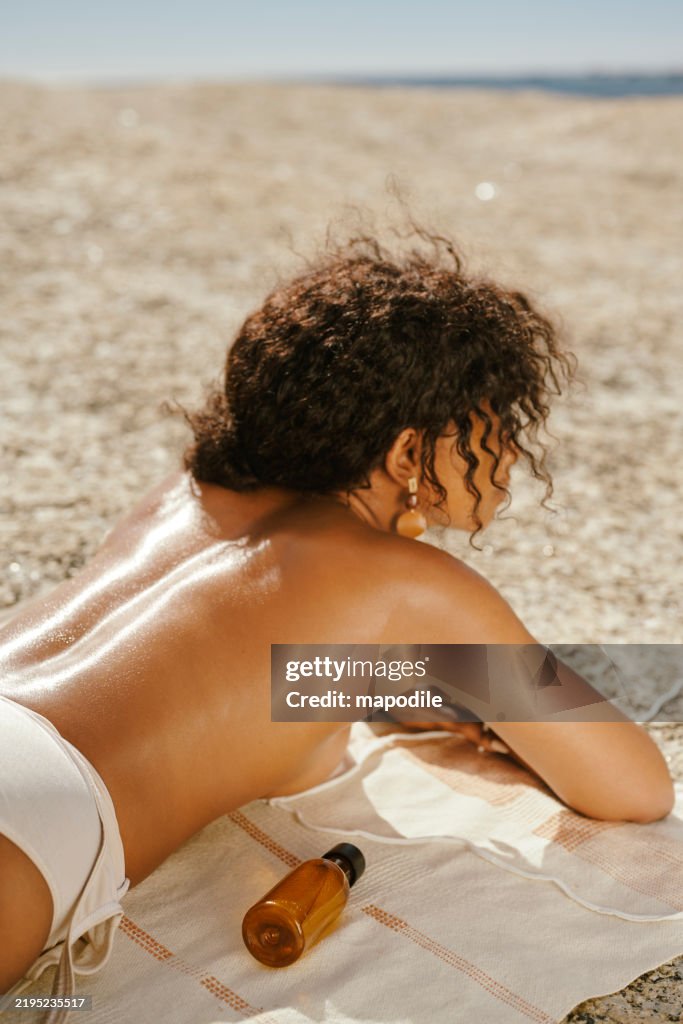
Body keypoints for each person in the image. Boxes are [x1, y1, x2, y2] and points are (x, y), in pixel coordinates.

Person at [0, 233, 674, 998]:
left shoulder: (185, 493)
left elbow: (237, 692)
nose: (511, 453)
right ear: (406, 452)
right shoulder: (408, 582)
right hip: (39, 810)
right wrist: (468, 697)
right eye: (493, 425)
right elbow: (634, 786)